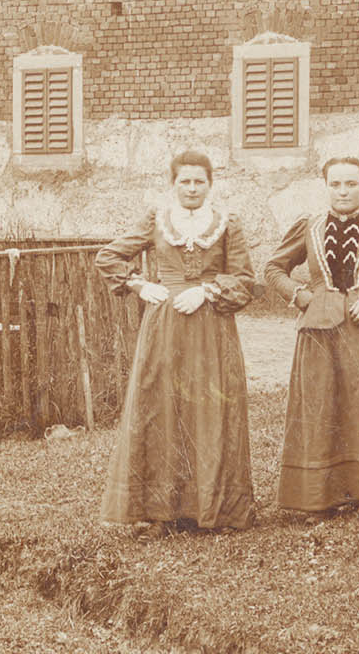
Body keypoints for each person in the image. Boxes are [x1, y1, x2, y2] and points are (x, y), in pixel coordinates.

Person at [94, 150, 260, 531]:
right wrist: (140, 284)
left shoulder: (227, 223)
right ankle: (161, 511)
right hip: (165, 325)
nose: (191, 188)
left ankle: (215, 510)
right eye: (184, 181)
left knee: (209, 408)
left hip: (211, 328)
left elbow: (245, 280)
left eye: (199, 181)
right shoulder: (157, 220)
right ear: (173, 184)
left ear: (210, 184)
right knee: (163, 408)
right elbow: (108, 257)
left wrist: (208, 291)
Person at [262, 156, 359, 516]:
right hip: (320, 332)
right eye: (336, 184)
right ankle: (318, 496)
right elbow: (273, 268)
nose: (343, 191)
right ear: (326, 186)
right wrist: (299, 295)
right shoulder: (308, 227)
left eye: (351, 184)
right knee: (321, 406)